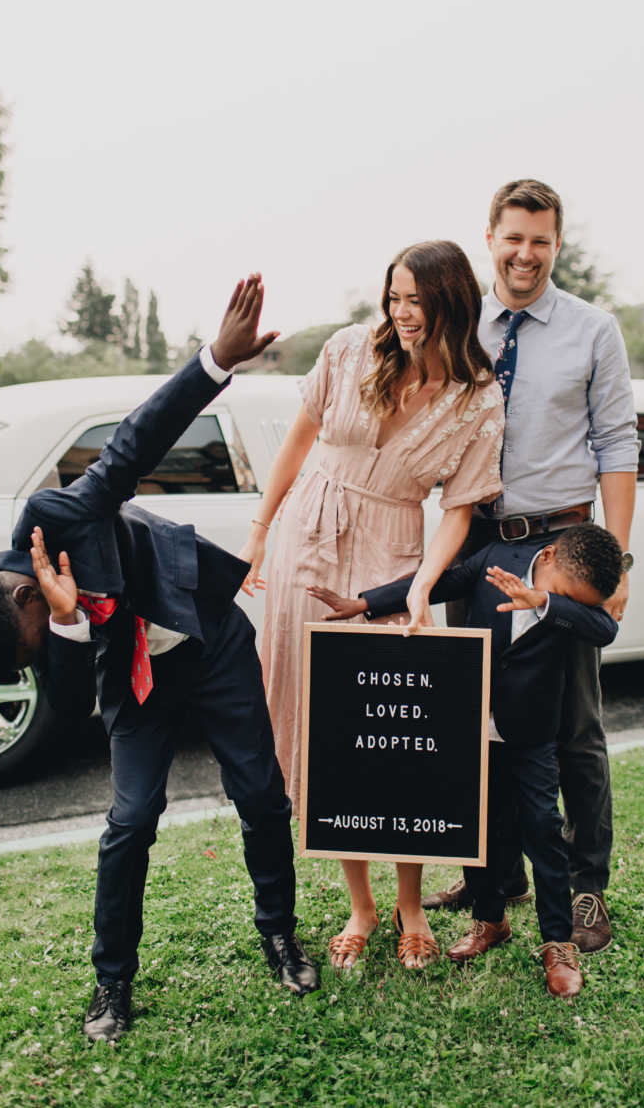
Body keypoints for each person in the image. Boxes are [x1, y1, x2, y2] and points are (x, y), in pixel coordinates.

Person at [0, 276, 321, 1044]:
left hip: (207, 638)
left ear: (17, 603)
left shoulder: (58, 518)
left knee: (260, 792)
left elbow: (132, 445)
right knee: (130, 820)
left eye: (35, 639)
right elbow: (77, 699)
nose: (40, 645)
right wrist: (70, 622)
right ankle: (111, 982)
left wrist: (216, 360)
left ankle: (278, 932)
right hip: (136, 680)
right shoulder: (29, 620)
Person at [239, 240, 504, 970]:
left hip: (392, 542)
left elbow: (461, 506)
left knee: (397, 729)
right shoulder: (351, 349)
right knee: (326, 726)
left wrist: (422, 583)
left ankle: (411, 903)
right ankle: (361, 904)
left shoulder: (478, 395)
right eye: (394, 297)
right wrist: (262, 533)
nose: (401, 313)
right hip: (309, 530)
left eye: (416, 300)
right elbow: (298, 442)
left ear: (453, 301)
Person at [424, 180, 639, 954]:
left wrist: (615, 566)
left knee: (573, 731)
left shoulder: (592, 330)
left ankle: (585, 889)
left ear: (557, 244)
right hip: (478, 545)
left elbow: (618, 444)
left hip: (559, 546)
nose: (526, 253)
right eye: (513, 237)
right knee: (478, 723)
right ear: (489, 237)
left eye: (540, 240)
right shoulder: (461, 325)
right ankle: (495, 879)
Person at [308, 521, 622, 999]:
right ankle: (489, 921)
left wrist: (548, 603)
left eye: (577, 601)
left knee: (543, 827)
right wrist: (366, 603)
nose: (572, 604)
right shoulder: (499, 559)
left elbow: (604, 629)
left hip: (532, 733)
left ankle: (557, 944)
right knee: (480, 826)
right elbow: (440, 584)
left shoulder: (570, 603)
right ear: (552, 555)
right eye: (564, 593)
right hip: (472, 721)